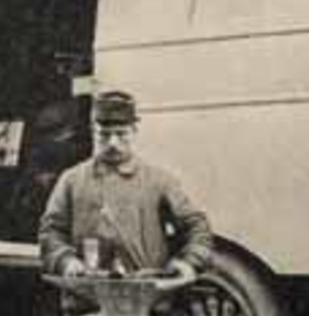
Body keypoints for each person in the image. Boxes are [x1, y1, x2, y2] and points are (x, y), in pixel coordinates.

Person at [39, 90, 212, 279]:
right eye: (104, 135)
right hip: (87, 298)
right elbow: (51, 232)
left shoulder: (159, 181)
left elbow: (197, 227)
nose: (113, 143)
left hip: (145, 297)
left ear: (134, 132)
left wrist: (188, 263)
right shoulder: (71, 180)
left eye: (121, 134)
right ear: (93, 132)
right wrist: (66, 262)